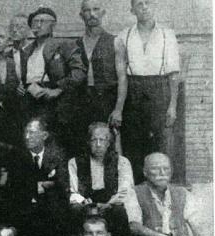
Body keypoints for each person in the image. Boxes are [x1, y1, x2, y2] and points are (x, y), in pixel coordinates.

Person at [116, 0, 181, 183]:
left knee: (161, 142)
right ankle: (137, 189)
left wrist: (172, 106)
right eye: (139, 4)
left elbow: (173, 74)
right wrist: (119, 109)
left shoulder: (167, 35)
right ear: (132, 10)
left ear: (155, 6)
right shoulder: (124, 36)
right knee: (133, 143)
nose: (144, 7)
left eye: (148, 2)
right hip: (134, 90)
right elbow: (122, 76)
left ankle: (163, 188)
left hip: (159, 89)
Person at [19, 7, 87, 156]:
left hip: (56, 103)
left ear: (53, 25)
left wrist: (58, 89)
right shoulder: (27, 51)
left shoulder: (64, 45)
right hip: (32, 101)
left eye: (42, 21)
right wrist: (22, 87)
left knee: (56, 144)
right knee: (33, 142)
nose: (37, 25)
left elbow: (79, 72)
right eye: (35, 22)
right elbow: (25, 78)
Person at [9, 117, 68, 236]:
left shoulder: (57, 155)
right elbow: (15, 185)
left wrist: (34, 186)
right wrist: (43, 185)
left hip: (51, 211)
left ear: (44, 136)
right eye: (26, 132)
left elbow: (62, 183)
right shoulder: (16, 156)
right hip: (26, 209)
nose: (27, 137)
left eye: (32, 133)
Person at [67, 122, 133, 235]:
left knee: (119, 211)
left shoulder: (122, 162)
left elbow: (125, 191)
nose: (98, 144)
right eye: (94, 140)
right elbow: (73, 191)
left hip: (111, 205)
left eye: (102, 140)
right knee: (74, 210)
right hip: (86, 205)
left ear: (108, 143)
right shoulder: (74, 163)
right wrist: (84, 203)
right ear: (88, 142)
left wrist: (108, 204)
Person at [77, 0, 127, 129]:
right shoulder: (76, 44)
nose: (92, 14)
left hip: (107, 101)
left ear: (103, 13)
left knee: (109, 141)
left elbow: (122, 78)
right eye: (87, 10)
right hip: (82, 102)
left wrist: (118, 109)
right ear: (81, 15)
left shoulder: (115, 41)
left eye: (96, 9)